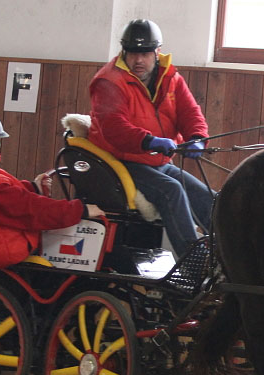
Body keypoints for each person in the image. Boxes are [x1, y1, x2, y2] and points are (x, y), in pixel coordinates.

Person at [87, 18, 214, 258]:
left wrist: (197, 137)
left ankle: (225, 261)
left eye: (144, 53)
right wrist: (149, 141)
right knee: (171, 191)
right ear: (124, 52)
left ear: (157, 52)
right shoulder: (108, 82)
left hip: (158, 162)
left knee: (208, 196)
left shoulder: (172, 78)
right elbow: (114, 128)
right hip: (120, 162)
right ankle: (193, 264)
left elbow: (191, 114)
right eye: (133, 53)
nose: (138, 60)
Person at [0, 110, 104, 270]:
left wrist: (33, 187)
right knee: (55, 239)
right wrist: (80, 210)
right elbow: (29, 209)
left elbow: (4, 200)